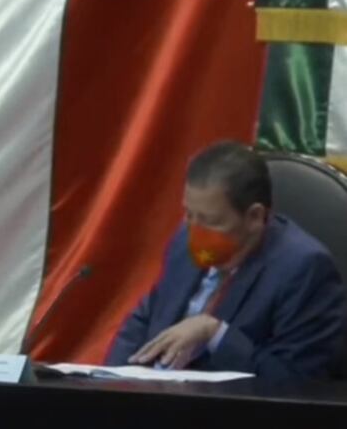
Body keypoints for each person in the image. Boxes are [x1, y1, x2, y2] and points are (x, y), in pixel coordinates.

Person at [106, 141, 345, 380]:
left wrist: (215, 334)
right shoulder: (183, 242)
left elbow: (295, 379)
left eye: (211, 221)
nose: (195, 231)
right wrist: (114, 385)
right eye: (189, 214)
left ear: (255, 217)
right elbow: (144, 320)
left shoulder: (304, 269)